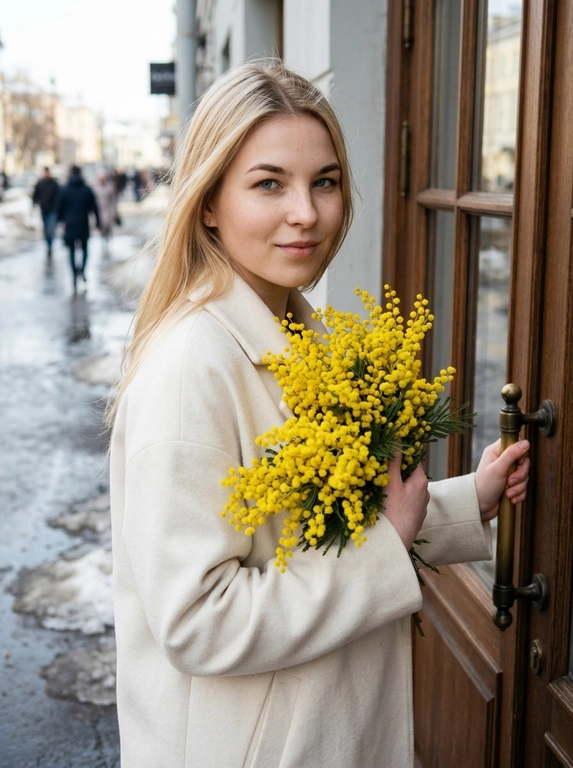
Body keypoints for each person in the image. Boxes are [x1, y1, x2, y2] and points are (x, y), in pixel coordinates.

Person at [108, 62, 530, 767]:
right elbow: (196, 621)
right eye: (268, 183)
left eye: (324, 181)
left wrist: (469, 503)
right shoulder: (193, 365)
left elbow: (332, 535)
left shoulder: (304, 335)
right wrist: (384, 550)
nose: (305, 212)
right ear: (208, 201)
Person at [57, 165, 100, 289]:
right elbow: (93, 207)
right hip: (83, 223)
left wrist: (60, 221)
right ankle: (83, 270)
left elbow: (60, 207)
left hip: (69, 224)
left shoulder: (64, 189)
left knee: (71, 250)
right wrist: (97, 221)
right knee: (85, 249)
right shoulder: (86, 189)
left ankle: (74, 274)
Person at [32, 167, 60, 259]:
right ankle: (48, 245)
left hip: (52, 210)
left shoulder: (54, 184)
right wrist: (35, 205)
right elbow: (35, 196)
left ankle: (50, 246)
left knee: (50, 229)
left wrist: (57, 208)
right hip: (44, 210)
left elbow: (59, 196)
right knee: (46, 229)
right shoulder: (40, 184)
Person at [93, 171, 117, 252]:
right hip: (99, 209)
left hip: (107, 209)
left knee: (107, 225)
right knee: (101, 225)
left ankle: (107, 237)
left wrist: (114, 210)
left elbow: (113, 199)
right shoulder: (96, 188)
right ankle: (103, 237)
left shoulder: (110, 187)